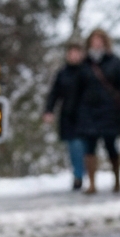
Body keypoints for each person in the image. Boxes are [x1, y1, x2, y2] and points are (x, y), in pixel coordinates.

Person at [71, 28, 120, 195]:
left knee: (111, 146)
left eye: (99, 40)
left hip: (109, 111)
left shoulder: (115, 62)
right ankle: (92, 183)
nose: (96, 44)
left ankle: (117, 180)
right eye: (93, 41)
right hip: (88, 111)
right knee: (89, 148)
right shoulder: (84, 64)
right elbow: (76, 90)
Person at [43, 42, 87, 190]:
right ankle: (78, 175)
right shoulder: (62, 73)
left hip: (85, 116)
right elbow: (54, 94)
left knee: (81, 147)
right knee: (73, 147)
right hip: (68, 116)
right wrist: (49, 110)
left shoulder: (87, 72)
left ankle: (82, 175)